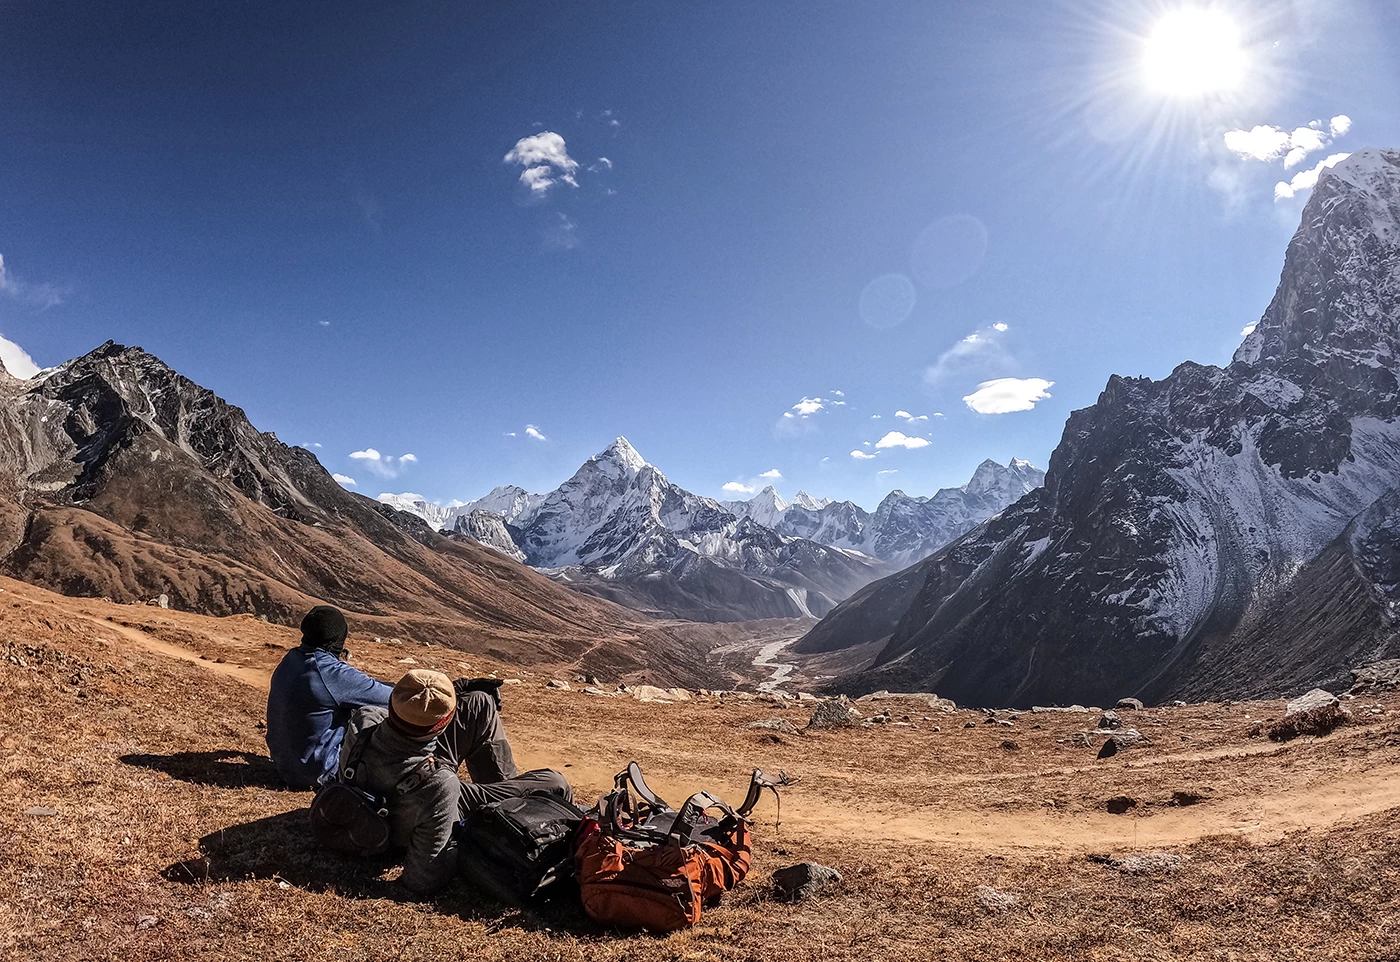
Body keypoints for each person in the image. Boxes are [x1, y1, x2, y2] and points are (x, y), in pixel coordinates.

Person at [340, 668, 573, 895]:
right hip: (420, 803)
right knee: (554, 782)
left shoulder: (364, 721)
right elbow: (423, 879)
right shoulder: (441, 784)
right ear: (444, 723)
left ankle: (509, 806)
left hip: (390, 780)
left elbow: (400, 722)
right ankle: (510, 822)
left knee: (479, 702)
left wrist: (452, 690)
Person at [266, 605, 392, 790]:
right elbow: (390, 698)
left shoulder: (291, 658)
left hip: (284, 766)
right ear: (338, 638)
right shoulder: (331, 672)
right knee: (373, 714)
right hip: (320, 773)